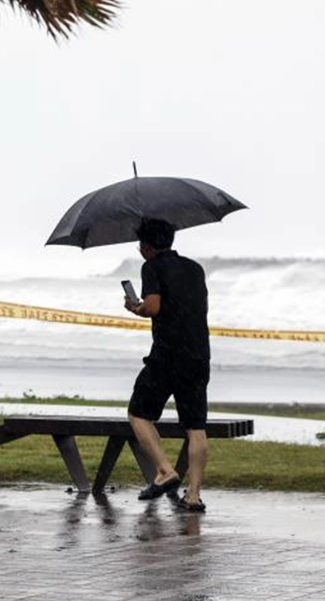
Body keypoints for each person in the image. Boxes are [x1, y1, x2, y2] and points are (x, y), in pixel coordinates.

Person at [123, 218, 210, 513]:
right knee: (196, 427)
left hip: (167, 354)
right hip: (198, 354)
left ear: (147, 246)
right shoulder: (195, 268)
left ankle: (164, 471)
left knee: (138, 413)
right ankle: (194, 495)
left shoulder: (152, 267)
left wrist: (136, 308)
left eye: (140, 245)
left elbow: (154, 307)